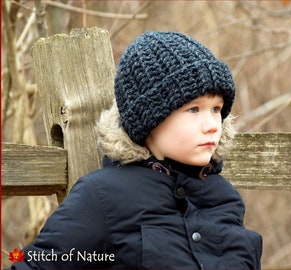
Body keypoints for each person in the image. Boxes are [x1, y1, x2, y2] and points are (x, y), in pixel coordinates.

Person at [7, 31, 262, 270]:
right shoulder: (103, 196)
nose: (211, 126)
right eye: (193, 109)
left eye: (216, 109)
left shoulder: (224, 197)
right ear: (150, 118)